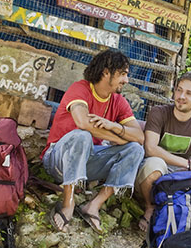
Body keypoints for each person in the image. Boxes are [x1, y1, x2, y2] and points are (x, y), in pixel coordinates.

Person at [41, 50, 144, 233]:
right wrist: (116, 138)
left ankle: (93, 206)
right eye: (122, 74)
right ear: (106, 72)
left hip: (88, 164)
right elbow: (83, 122)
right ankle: (68, 204)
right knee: (82, 135)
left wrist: (114, 126)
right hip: (58, 160)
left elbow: (139, 136)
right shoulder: (80, 89)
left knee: (135, 149)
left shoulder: (118, 101)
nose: (126, 80)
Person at [135, 71, 191, 231]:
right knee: (154, 165)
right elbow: (150, 148)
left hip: (182, 173)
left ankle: (180, 205)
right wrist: (189, 164)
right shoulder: (159, 112)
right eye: (179, 90)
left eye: (189, 93)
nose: (181, 96)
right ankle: (150, 207)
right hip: (157, 169)